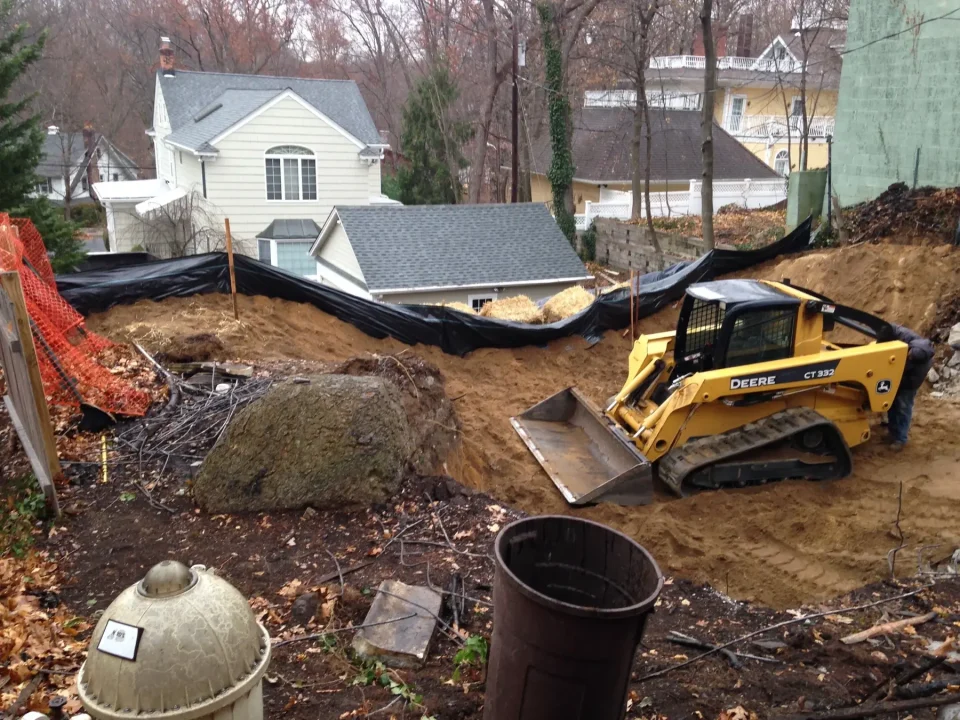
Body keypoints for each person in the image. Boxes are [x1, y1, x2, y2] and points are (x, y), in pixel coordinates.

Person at [887, 323, 935, 451]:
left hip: (906, 384)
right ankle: (892, 432)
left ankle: (900, 439)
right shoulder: (909, 338)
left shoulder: (920, 367)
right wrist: (884, 332)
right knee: (891, 405)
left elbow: (910, 382)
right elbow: (895, 329)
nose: (908, 357)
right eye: (909, 354)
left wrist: (896, 383)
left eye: (910, 358)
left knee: (903, 407)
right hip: (897, 378)